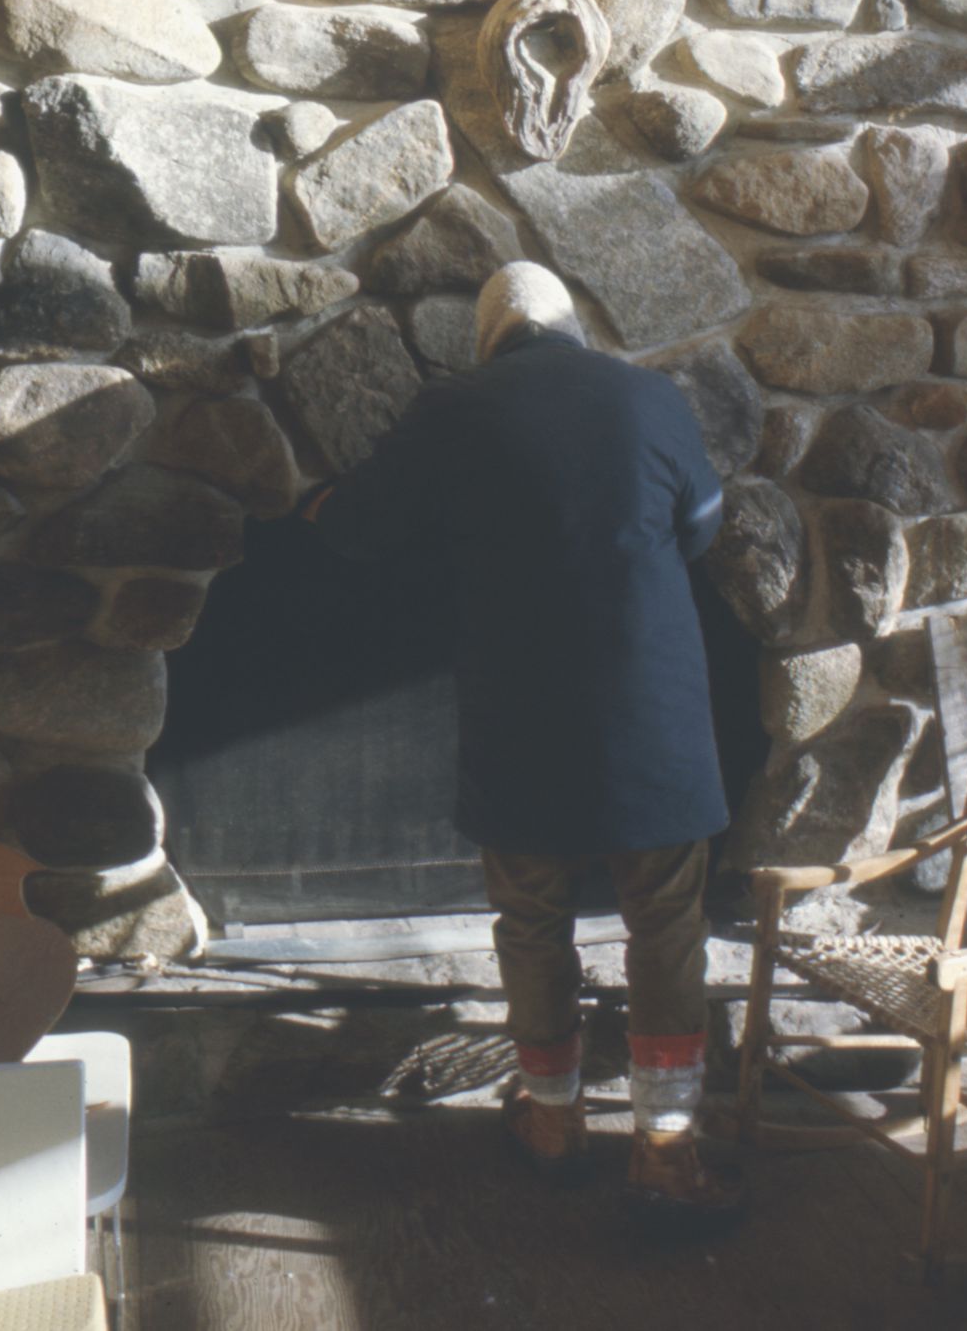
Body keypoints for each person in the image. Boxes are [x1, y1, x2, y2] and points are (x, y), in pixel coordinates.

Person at [306, 260, 743, 1222]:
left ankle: (553, 1119)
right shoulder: (649, 395)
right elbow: (704, 527)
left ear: (491, 334)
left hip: (522, 711)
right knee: (666, 922)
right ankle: (666, 1146)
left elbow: (362, 530)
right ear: (572, 325)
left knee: (532, 919)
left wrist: (314, 504)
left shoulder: (453, 408)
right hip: (653, 706)